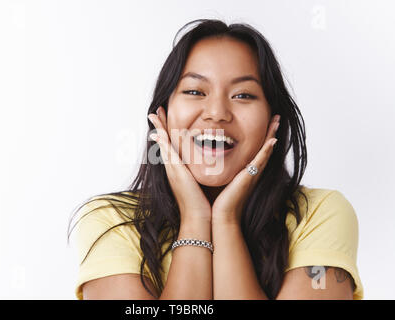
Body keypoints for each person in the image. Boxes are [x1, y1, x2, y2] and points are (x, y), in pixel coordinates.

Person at [67, 18, 363, 300]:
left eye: (243, 95)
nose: (217, 112)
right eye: (195, 91)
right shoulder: (110, 220)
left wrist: (226, 221)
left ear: (273, 120)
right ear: (163, 114)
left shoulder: (319, 215)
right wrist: (196, 219)